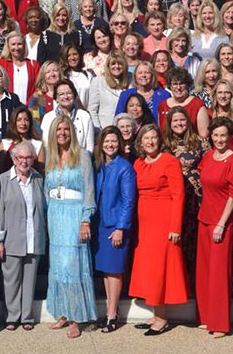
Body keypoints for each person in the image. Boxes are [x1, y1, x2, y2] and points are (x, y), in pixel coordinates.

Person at [41, 115, 97, 339]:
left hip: (75, 215)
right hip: (55, 215)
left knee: (73, 265)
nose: (62, 133)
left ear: (72, 132)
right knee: (58, 266)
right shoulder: (51, 158)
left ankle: (76, 317)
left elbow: (89, 190)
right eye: (58, 129)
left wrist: (86, 219)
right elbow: (46, 190)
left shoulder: (82, 156)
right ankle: (63, 312)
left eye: (66, 129)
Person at [128, 124, 186, 334]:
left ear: (159, 140)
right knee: (149, 269)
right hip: (144, 224)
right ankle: (156, 313)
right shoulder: (138, 163)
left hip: (163, 221)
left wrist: (175, 226)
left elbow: (179, 195)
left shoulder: (169, 161)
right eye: (146, 138)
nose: (150, 141)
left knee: (160, 269)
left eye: (154, 137)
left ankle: (162, 318)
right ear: (140, 142)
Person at [195, 117, 233, 337]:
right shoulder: (208, 156)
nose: (219, 139)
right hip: (204, 219)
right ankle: (206, 317)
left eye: (223, 135)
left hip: (221, 223)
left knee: (218, 274)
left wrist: (222, 224)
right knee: (205, 271)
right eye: (215, 135)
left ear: (230, 136)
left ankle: (220, 323)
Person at [0, 141, 46, 331]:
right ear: (14, 159)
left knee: (29, 281)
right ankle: (12, 317)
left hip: (34, 238)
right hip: (12, 239)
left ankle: (27, 317)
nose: (24, 161)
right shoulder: (4, 179)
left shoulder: (39, 179)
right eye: (20, 157)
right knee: (11, 281)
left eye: (28, 157)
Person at [92, 126, 136, 333]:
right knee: (105, 270)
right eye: (107, 141)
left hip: (115, 225)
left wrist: (121, 227)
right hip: (100, 224)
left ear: (119, 144)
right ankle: (111, 310)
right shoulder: (99, 165)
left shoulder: (124, 167)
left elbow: (128, 201)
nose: (110, 145)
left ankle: (112, 315)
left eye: (114, 141)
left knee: (115, 271)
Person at [40, 80, 95, 156]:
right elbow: (45, 145)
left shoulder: (85, 116)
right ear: (56, 98)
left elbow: (89, 147)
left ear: (74, 95)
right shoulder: (48, 118)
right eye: (61, 94)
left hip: (80, 162)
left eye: (69, 93)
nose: (65, 97)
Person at [87, 51, 130, 129]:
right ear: (108, 66)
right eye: (113, 64)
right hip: (105, 130)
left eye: (120, 63)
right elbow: (92, 110)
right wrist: (98, 130)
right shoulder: (98, 81)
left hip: (126, 130)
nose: (117, 66)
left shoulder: (131, 80)